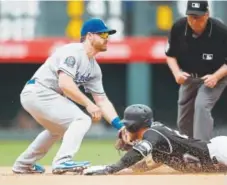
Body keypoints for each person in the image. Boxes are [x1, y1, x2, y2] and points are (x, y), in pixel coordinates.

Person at [12, 18, 124, 174]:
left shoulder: (94, 69)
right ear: (90, 36)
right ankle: (62, 161)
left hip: (42, 95)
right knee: (82, 119)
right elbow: (65, 83)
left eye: (107, 35)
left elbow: (102, 101)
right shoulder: (74, 52)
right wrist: (88, 104)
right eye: (103, 35)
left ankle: (23, 164)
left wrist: (121, 127)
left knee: (56, 131)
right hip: (39, 91)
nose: (107, 39)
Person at [83, 104, 227, 175]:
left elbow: (137, 153)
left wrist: (110, 169)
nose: (125, 130)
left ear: (134, 126)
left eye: (127, 126)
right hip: (215, 157)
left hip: (220, 151)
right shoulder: (156, 140)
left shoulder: (153, 133)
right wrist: (116, 169)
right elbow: (146, 165)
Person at [165, 0, 227, 141]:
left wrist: (216, 77)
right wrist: (177, 73)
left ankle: (203, 150)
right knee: (183, 119)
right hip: (189, 78)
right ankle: (189, 150)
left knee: (201, 106)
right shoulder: (179, 27)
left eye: (197, 16)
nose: (193, 20)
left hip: (214, 77)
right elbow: (170, 55)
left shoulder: (220, 31)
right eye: (190, 16)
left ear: (207, 15)